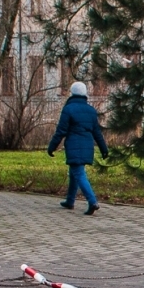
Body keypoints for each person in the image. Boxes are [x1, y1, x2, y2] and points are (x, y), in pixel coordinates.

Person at [47, 81, 110, 215]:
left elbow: (61, 131)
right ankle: (70, 201)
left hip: (74, 145)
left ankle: (92, 201)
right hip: (87, 146)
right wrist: (104, 149)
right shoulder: (91, 110)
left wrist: (52, 147)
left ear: (72, 93)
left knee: (79, 173)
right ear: (85, 94)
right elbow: (97, 133)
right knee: (75, 172)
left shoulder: (68, 109)